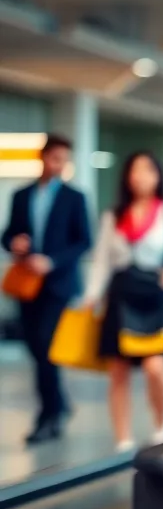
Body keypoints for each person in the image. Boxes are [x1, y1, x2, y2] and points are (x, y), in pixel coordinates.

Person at [82, 151, 163, 451]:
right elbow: (102, 261)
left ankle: (161, 426)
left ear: (158, 175)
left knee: (155, 367)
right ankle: (123, 439)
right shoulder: (114, 216)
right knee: (118, 370)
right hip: (121, 295)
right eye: (134, 170)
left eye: (147, 170)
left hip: (155, 295)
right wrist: (92, 294)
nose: (140, 177)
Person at [0, 134, 92, 443]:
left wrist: (51, 261)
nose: (59, 165)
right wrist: (14, 242)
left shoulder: (74, 198)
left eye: (64, 160)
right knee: (34, 346)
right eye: (55, 158)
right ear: (43, 157)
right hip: (28, 285)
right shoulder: (22, 196)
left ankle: (49, 416)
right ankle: (60, 403)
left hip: (58, 285)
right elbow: (7, 234)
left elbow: (84, 240)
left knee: (46, 347)